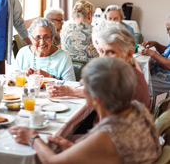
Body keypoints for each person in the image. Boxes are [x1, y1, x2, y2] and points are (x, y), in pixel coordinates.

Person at [9, 57, 161, 164]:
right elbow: (106, 154)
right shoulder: (136, 110)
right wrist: (71, 147)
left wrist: (33, 138)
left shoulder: (108, 135)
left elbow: (52, 161)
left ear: (96, 98)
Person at [50, 21, 150, 108]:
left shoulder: (127, 84)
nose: (104, 58)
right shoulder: (123, 71)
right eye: (101, 51)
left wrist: (70, 91)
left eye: (111, 52)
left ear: (128, 54)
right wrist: (69, 91)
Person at [141, 16, 170, 95]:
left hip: (165, 78)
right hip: (158, 70)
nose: (168, 32)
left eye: (169, 29)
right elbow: (167, 52)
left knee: (136, 87)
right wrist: (157, 44)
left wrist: (153, 53)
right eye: (167, 29)